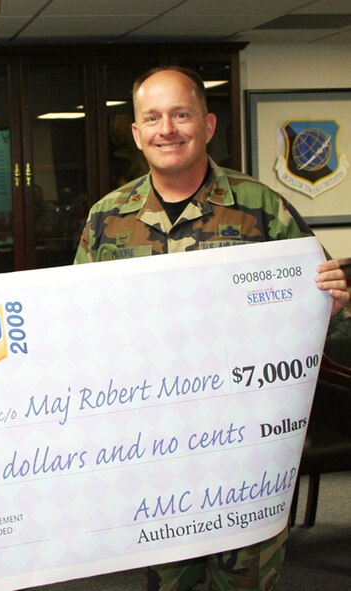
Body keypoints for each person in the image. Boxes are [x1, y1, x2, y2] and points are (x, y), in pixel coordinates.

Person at [74, 66, 350, 590]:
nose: (167, 129)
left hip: (246, 443)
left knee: (242, 580)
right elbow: (82, 329)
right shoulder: (106, 219)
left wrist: (334, 302)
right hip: (156, 445)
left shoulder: (261, 207)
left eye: (181, 114)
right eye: (152, 118)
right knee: (168, 579)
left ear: (208, 124)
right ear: (136, 133)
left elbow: (327, 310)